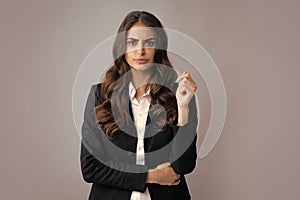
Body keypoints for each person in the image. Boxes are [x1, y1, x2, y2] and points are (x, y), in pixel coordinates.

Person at [80, 10, 198, 200]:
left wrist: (183, 108)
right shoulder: (100, 95)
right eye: (132, 42)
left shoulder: (178, 94)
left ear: (158, 48)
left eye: (149, 43)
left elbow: (183, 166)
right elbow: (90, 167)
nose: (140, 51)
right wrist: (150, 176)